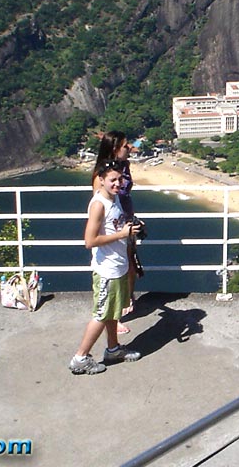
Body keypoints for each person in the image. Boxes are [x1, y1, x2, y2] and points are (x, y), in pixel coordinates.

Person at [69, 162, 143, 375]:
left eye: (120, 179)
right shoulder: (99, 204)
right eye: (112, 180)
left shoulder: (115, 198)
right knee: (101, 314)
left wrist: (132, 228)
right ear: (100, 179)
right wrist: (122, 235)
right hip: (107, 270)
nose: (117, 183)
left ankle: (113, 349)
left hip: (118, 264)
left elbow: (115, 225)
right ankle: (80, 358)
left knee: (112, 311)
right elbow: (89, 241)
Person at [93, 131, 144, 329]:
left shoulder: (125, 166)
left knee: (130, 267)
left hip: (127, 220)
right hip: (114, 225)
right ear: (115, 149)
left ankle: (125, 304)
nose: (129, 148)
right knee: (113, 271)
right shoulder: (102, 174)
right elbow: (98, 203)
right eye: (125, 146)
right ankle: (114, 318)